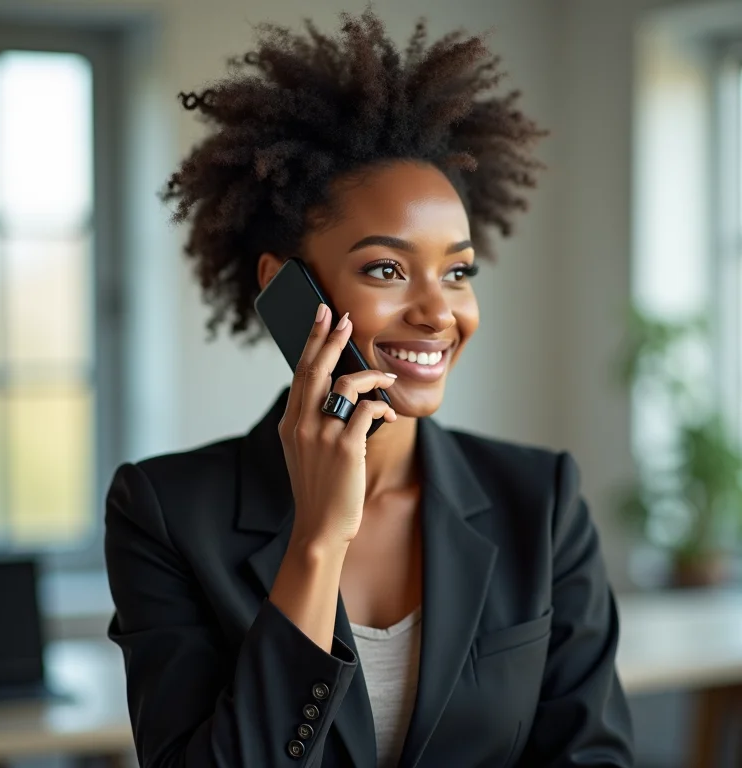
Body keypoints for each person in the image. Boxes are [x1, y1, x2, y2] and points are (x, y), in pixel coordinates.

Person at [104, 8, 634, 768]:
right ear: (284, 288)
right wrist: (317, 543)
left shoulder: (540, 501)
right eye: (386, 269)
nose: (437, 312)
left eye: (457, 271)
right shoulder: (165, 513)